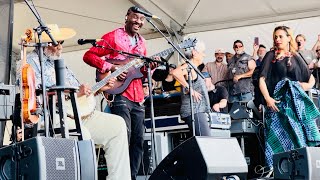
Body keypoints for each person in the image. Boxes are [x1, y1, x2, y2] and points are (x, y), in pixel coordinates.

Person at [17, 24, 131, 180]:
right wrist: (74, 93)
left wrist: (99, 88)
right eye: (55, 43)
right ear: (43, 44)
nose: (59, 47)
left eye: (61, 42)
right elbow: (36, 99)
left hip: (76, 114)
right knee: (83, 134)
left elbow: (78, 95)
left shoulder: (61, 63)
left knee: (117, 125)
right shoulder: (29, 64)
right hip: (52, 117)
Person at [83, 6, 158, 179]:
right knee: (124, 136)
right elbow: (89, 55)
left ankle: (130, 176)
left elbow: (141, 72)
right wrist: (112, 67)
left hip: (138, 96)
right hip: (120, 94)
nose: (138, 21)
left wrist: (151, 68)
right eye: (136, 17)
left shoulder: (142, 43)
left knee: (138, 141)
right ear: (127, 17)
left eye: (142, 19)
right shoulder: (113, 36)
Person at [259, 26, 320, 170]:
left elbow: (311, 80)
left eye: (281, 36)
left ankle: (299, 171)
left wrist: (298, 87)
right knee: (275, 140)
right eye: (275, 37)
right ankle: (278, 171)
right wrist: (267, 98)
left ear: (288, 38)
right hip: (276, 104)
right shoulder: (271, 55)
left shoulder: (295, 56)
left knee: (297, 139)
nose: (277, 39)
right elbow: (261, 79)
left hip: (294, 106)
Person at [171, 40, 211, 136]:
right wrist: (190, 89)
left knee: (203, 142)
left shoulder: (194, 69)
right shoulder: (189, 67)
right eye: (202, 52)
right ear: (194, 53)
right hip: (194, 111)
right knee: (205, 141)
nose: (204, 55)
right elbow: (175, 72)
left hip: (198, 111)